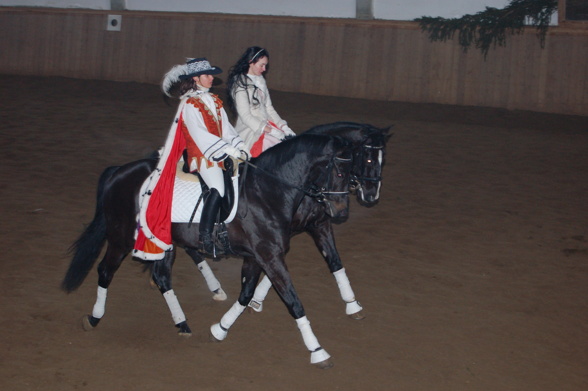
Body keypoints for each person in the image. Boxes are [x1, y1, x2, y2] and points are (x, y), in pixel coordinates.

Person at [135, 57, 247, 259]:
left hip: (220, 152)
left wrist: (239, 146)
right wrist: (225, 150)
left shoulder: (214, 100)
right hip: (203, 157)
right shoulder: (189, 104)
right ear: (196, 78)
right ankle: (205, 238)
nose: (211, 78)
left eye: (211, 75)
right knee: (217, 188)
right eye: (207, 75)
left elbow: (227, 129)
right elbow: (200, 134)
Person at [226, 46, 295, 157]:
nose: (264, 69)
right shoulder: (239, 84)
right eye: (261, 65)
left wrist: (283, 126)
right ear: (250, 62)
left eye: (265, 65)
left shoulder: (260, 80)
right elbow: (245, 116)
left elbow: (269, 108)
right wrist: (270, 131)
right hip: (250, 129)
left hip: (266, 124)